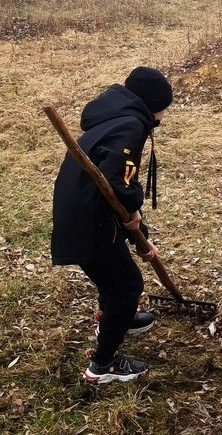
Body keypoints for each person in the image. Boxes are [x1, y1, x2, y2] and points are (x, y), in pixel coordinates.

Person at [51, 66, 172, 383]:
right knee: (127, 285)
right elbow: (118, 181)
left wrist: (138, 231)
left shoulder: (114, 117)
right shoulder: (131, 125)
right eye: (164, 106)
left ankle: (115, 319)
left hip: (81, 211)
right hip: (90, 221)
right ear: (152, 103)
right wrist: (133, 211)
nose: (165, 114)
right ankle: (103, 366)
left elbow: (115, 183)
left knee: (113, 278)